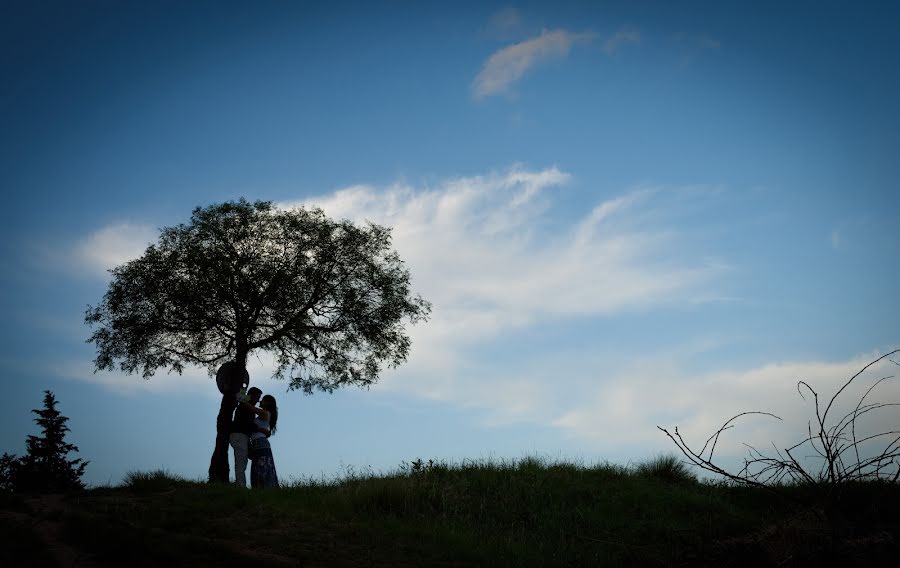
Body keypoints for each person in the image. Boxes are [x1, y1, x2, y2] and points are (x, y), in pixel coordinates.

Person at [229, 386, 262, 488]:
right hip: (239, 435)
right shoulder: (245, 406)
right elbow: (247, 423)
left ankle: (240, 484)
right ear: (251, 396)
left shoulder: (245, 406)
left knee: (242, 461)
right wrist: (259, 428)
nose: (258, 400)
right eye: (257, 397)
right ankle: (241, 486)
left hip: (241, 436)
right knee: (241, 462)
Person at [248, 394, 279, 488]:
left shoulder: (265, 413)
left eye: (262, 400)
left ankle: (263, 486)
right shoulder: (265, 414)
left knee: (261, 465)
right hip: (259, 441)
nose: (260, 401)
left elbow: (250, 408)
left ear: (267, 403)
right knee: (261, 465)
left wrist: (243, 398)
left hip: (259, 442)